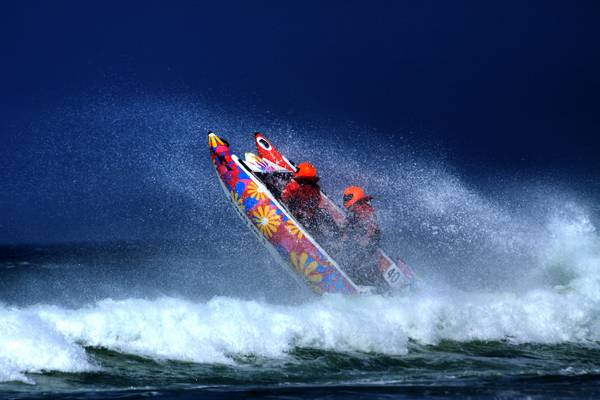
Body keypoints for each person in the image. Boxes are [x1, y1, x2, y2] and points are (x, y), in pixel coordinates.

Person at [341, 186, 384, 287]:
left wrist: (365, 241)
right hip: (368, 241)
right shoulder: (359, 208)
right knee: (356, 259)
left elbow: (371, 226)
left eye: (347, 198)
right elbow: (348, 226)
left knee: (353, 262)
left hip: (368, 242)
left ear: (354, 197)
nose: (344, 201)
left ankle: (359, 282)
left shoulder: (362, 209)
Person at [281, 162, 322, 231]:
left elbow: (284, 196)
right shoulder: (316, 189)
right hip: (309, 217)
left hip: (296, 214)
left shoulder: (294, 186)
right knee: (321, 213)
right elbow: (317, 202)